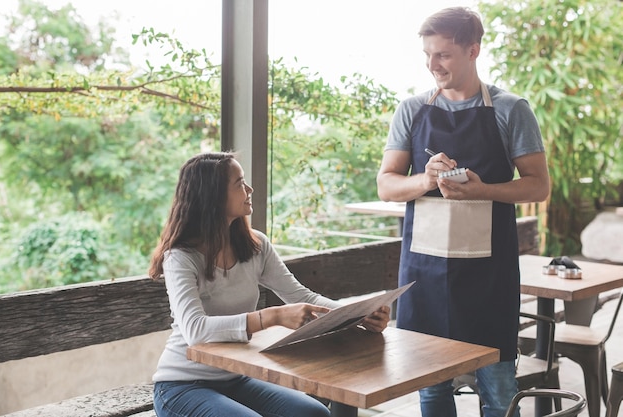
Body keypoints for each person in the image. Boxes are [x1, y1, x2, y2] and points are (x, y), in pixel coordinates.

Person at [376, 7, 550, 417]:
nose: (432, 65)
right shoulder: (412, 109)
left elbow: (538, 185)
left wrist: (482, 190)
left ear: (473, 50)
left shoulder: (511, 110)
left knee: (499, 393)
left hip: (490, 276)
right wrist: (425, 180)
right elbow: (386, 184)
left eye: (443, 55)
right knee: (432, 394)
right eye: (427, 54)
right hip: (425, 274)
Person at [149, 151, 390, 417]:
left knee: (314, 413)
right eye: (239, 183)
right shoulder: (181, 257)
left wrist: (358, 315)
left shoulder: (255, 245)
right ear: (212, 196)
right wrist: (272, 316)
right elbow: (195, 330)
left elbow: (301, 296)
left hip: (236, 376)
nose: (249, 189)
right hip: (183, 386)